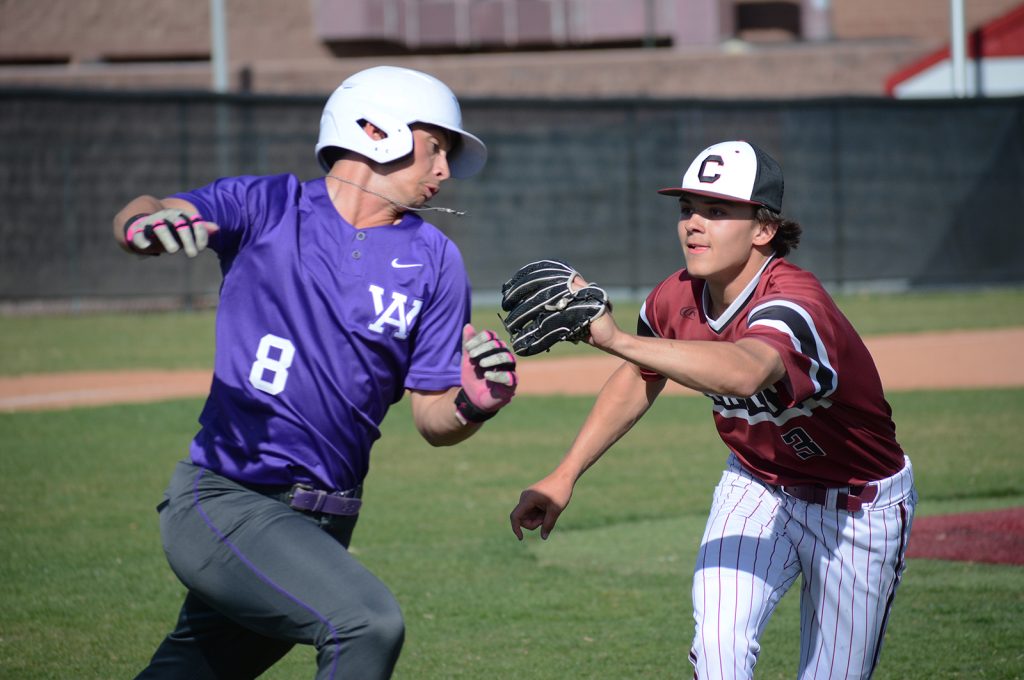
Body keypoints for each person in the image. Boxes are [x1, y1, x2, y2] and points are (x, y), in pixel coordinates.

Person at [114, 65, 517, 680]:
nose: (444, 171)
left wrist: (473, 403)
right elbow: (147, 211)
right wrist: (145, 226)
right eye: (436, 148)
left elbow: (434, 418)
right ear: (376, 128)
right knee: (365, 623)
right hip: (229, 500)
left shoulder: (436, 259)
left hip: (325, 523)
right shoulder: (266, 206)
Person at [509, 140, 917, 679]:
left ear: (763, 228)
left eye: (718, 211)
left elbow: (747, 369)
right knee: (719, 651)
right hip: (756, 485)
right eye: (687, 209)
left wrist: (614, 338)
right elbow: (640, 376)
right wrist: (565, 474)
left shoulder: (796, 303)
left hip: (858, 508)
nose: (693, 224)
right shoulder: (675, 296)